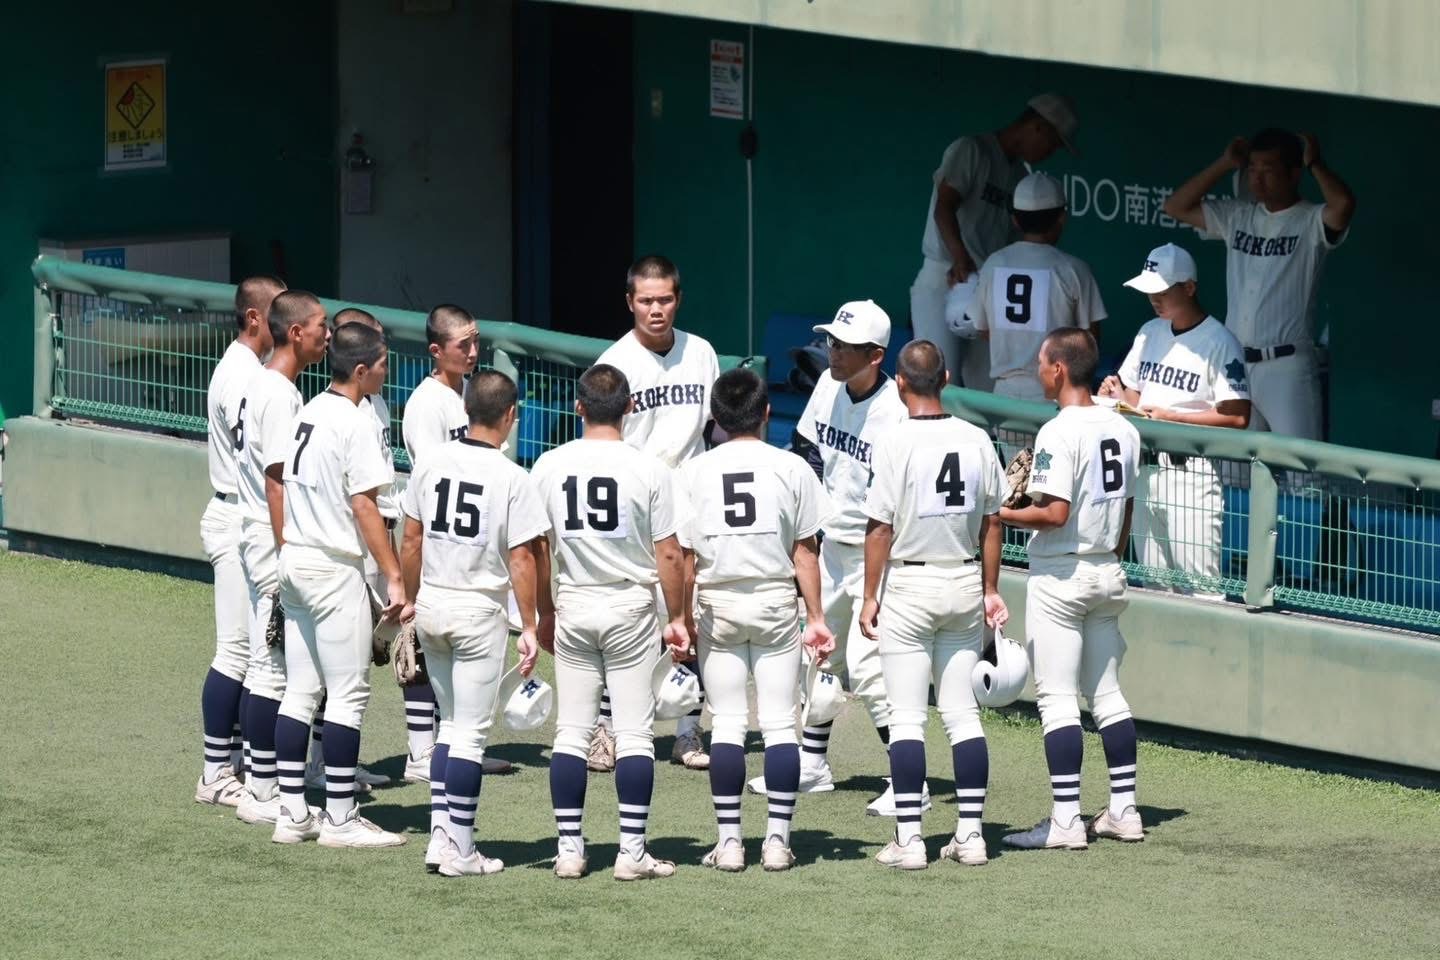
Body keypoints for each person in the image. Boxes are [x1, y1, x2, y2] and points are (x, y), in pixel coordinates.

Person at [748, 300, 912, 817]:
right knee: (818, 656)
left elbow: (896, 498)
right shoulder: (827, 386)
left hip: (872, 553)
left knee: (867, 668)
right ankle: (813, 764)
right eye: (833, 342)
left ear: (876, 354)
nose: (833, 352)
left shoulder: (895, 412)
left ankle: (910, 782)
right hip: (829, 548)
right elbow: (807, 449)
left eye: (845, 346)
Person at [530, 363, 689, 881]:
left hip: (574, 601)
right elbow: (669, 553)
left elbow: (537, 548)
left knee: (571, 734)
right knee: (635, 735)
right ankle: (631, 852)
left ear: (578, 408)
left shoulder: (550, 464)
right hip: (629, 606)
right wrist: (679, 616)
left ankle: (570, 850)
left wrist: (544, 613)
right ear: (630, 407)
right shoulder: (650, 468)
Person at [858, 341, 1008, 869]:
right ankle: (971, 835)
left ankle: (909, 840)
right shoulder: (976, 437)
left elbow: (879, 528)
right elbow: (993, 523)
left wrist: (868, 595)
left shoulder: (894, 440)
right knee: (962, 716)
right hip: (964, 582)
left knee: (906, 719)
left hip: (911, 586)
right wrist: (991, 588)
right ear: (944, 377)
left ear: (900, 383)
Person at [677, 368, 834, 872]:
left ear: (716, 418)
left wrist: (679, 616)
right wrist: (817, 616)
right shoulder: (791, 467)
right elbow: (805, 553)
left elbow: (680, 557)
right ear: (767, 412)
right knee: (779, 724)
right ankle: (776, 842)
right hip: (773, 601)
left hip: (717, 601)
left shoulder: (693, 472)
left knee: (725, 723)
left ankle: (728, 844)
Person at [399, 369, 549, 875]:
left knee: (448, 728)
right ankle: (461, 849)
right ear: (510, 416)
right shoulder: (513, 477)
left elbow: (412, 540)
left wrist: (410, 597)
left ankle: (441, 837)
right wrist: (529, 624)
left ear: (466, 410)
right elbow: (524, 558)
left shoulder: (432, 462)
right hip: (478, 611)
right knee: (468, 734)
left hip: (433, 605)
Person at [1000, 327, 1144, 851]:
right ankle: (1124, 809)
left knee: (1058, 700)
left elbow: (1054, 513)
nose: (1039, 370)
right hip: (1108, 569)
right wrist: (1109, 553)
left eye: (1042, 363)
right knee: (1107, 694)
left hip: (1062, 576)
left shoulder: (1059, 431)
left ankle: (1065, 822)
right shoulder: (1124, 428)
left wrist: (1003, 513)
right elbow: (1125, 508)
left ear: (1059, 370)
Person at [270, 321, 405, 848]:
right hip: (331, 567)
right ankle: (341, 819)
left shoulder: (309, 409)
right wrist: (394, 573)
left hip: (296, 560)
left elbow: (278, 479)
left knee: (301, 690)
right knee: (348, 693)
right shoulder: (354, 421)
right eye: (382, 363)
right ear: (360, 370)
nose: (386, 371)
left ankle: (291, 813)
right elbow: (365, 504)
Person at [592, 255, 720, 773]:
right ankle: (610, 728)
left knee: (695, 614)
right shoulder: (613, 362)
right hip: (635, 501)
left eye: (664, 298)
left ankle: (688, 729)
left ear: (678, 299)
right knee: (627, 618)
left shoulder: (701, 352)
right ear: (629, 303)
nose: (656, 309)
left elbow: (714, 428)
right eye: (645, 300)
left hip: (691, 498)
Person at [1163, 129, 1355, 440]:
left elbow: (1344, 205)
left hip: (1286, 366)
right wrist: (1225, 164)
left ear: (1293, 174)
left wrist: (1315, 164)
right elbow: (1175, 207)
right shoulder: (1238, 215)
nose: (1257, 178)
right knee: (1233, 469)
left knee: (1302, 474)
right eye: (1252, 169)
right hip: (1236, 362)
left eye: (1268, 169)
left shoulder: (1310, 220)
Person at [400, 304, 514, 784]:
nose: (473, 351)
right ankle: (420, 751)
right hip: (436, 539)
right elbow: (433, 487)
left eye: (475, 341)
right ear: (436, 350)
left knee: (456, 657)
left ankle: (456, 744)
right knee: (425, 650)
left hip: (474, 541)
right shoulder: (425, 405)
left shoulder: (470, 392)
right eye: (462, 344)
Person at [1099, 244, 1251, 598]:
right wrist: (1117, 397)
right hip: (1146, 471)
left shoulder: (1220, 340)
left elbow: (1238, 416)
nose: (1154, 298)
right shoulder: (1149, 331)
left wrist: (1174, 418)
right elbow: (1138, 401)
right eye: (1150, 290)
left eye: (1163, 291)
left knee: (1202, 589)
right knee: (1154, 585)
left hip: (1191, 473)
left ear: (1189, 288)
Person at [231, 291, 331, 827]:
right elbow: (277, 481)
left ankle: (258, 780)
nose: (327, 335)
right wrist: (288, 548)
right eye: (320, 326)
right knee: (272, 669)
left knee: (265, 665)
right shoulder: (280, 394)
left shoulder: (268, 384)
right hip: (269, 539)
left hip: (257, 534)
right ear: (296, 333)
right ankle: (261, 788)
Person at [910, 93, 1080, 393]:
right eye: (1053, 143)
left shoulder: (1018, 176)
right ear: (1038, 126)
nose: (1051, 152)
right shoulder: (972, 150)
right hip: (945, 274)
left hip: (987, 284)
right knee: (935, 378)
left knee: (986, 382)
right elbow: (944, 207)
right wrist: (959, 257)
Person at [195, 275, 282, 807]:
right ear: (254, 319)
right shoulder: (241, 376)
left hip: (240, 517)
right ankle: (215, 771)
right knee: (238, 652)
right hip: (236, 518)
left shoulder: (249, 371)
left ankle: (242, 766)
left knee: (252, 653)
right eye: (275, 312)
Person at [970, 172, 1106, 402]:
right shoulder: (1073, 268)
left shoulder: (995, 263)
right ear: (1061, 217)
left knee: (1005, 441)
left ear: (1015, 219)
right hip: (1056, 394)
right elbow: (1090, 340)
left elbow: (982, 328)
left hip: (1005, 394)